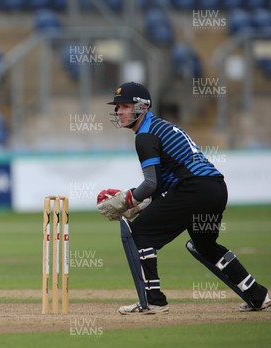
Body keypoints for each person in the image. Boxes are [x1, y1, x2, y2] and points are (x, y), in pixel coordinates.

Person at [97, 81, 270, 314]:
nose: (119, 112)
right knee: (205, 245)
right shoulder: (162, 127)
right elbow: (164, 184)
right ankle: (258, 296)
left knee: (140, 234)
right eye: (117, 107)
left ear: (143, 107)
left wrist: (127, 202)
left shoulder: (145, 136)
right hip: (215, 188)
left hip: (194, 189)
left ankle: (154, 302)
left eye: (125, 106)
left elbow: (151, 183)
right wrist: (142, 204)